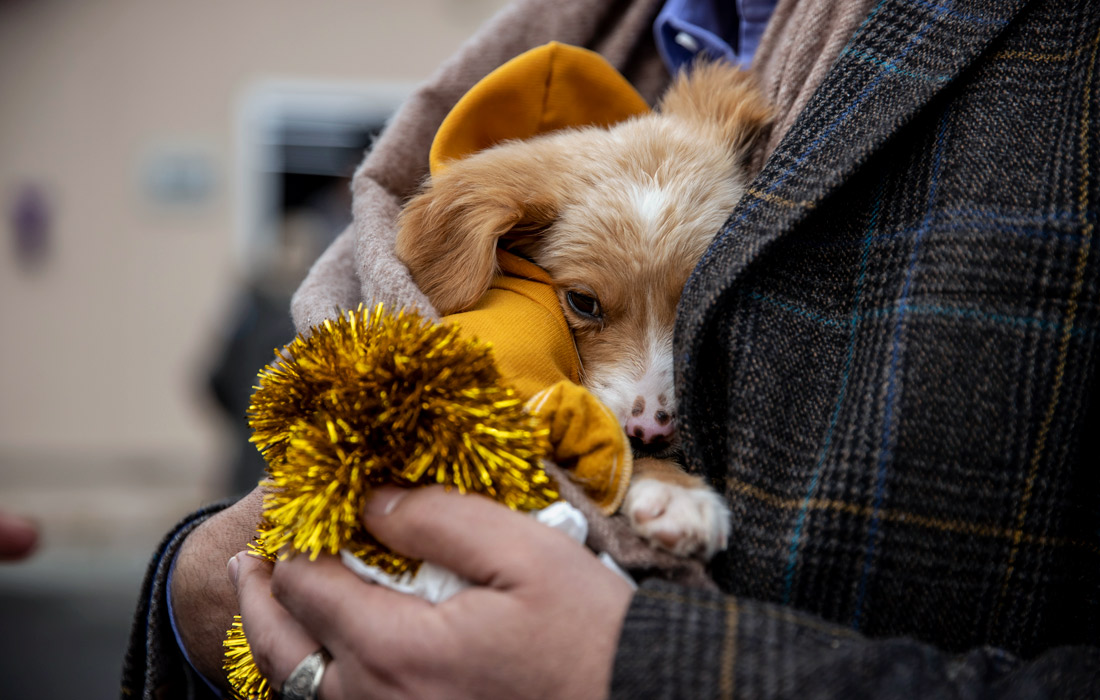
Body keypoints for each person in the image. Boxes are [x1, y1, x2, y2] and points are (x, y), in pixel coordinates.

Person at [122, 0, 1100, 697]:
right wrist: (195, 583)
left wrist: (633, 667)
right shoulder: (581, 38)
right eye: (586, 304)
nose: (650, 400)